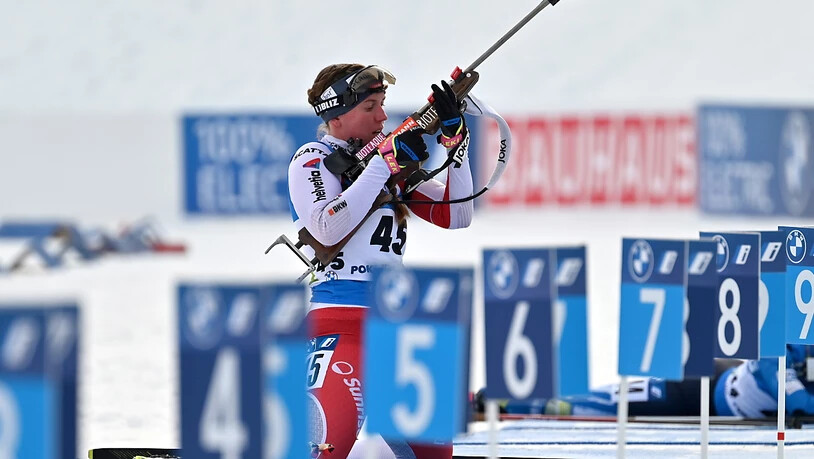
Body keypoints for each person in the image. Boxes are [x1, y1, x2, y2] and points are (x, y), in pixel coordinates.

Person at [288, 63, 474, 458]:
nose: (382, 117)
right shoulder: (312, 158)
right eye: (371, 107)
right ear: (337, 116)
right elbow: (326, 228)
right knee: (324, 449)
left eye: (383, 104)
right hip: (341, 326)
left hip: (402, 331)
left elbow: (457, 214)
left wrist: (455, 143)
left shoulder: (385, 161)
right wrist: (382, 165)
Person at [477, 345, 814, 420]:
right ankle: (509, 400)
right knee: (602, 405)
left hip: (726, 399)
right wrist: (799, 395)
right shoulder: (803, 337)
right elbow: (772, 360)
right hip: (701, 387)